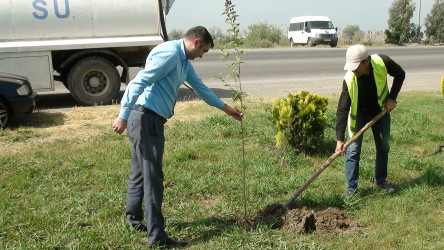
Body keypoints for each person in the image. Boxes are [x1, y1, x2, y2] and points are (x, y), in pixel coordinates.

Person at [112, 26, 243, 248]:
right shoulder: (170, 54)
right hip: (145, 119)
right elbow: (138, 82)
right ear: (196, 42)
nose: (202, 55)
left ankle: (134, 221)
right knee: (153, 179)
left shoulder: (183, 62)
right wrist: (122, 116)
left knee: (139, 174)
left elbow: (201, 89)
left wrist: (227, 109)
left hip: (148, 118)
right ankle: (158, 238)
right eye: (204, 50)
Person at [335, 44, 405, 199]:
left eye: (356, 66)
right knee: (353, 151)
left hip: (380, 110)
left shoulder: (383, 62)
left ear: (366, 61)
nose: (353, 70)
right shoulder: (349, 79)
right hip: (359, 113)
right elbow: (342, 109)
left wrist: (392, 98)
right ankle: (352, 189)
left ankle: (380, 181)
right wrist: (340, 139)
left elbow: (400, 74)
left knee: (383, 146)